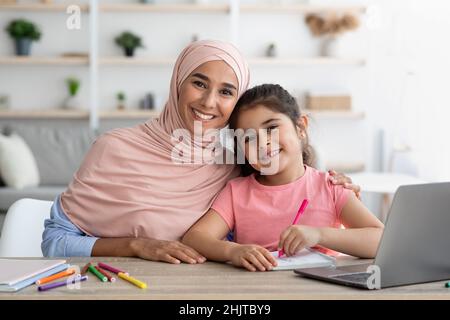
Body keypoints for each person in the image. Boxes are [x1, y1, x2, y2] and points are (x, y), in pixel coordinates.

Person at [42, 40, 360, 264]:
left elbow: (289, 189)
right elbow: (54, 241)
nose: (209, 102)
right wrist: (136, 246)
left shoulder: (234, 164)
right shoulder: (113, 148)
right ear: (178, 82)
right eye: (199, 83)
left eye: (226, 92)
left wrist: (337, 184)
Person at [182, 84, 384, 271]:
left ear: (301, 128)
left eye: (271, 128)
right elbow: (195, 238)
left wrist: (319, 235)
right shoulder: (237, 192)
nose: (263, 144)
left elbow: (382, 240)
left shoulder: (330, 186)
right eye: (249, 138)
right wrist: (233, 251)